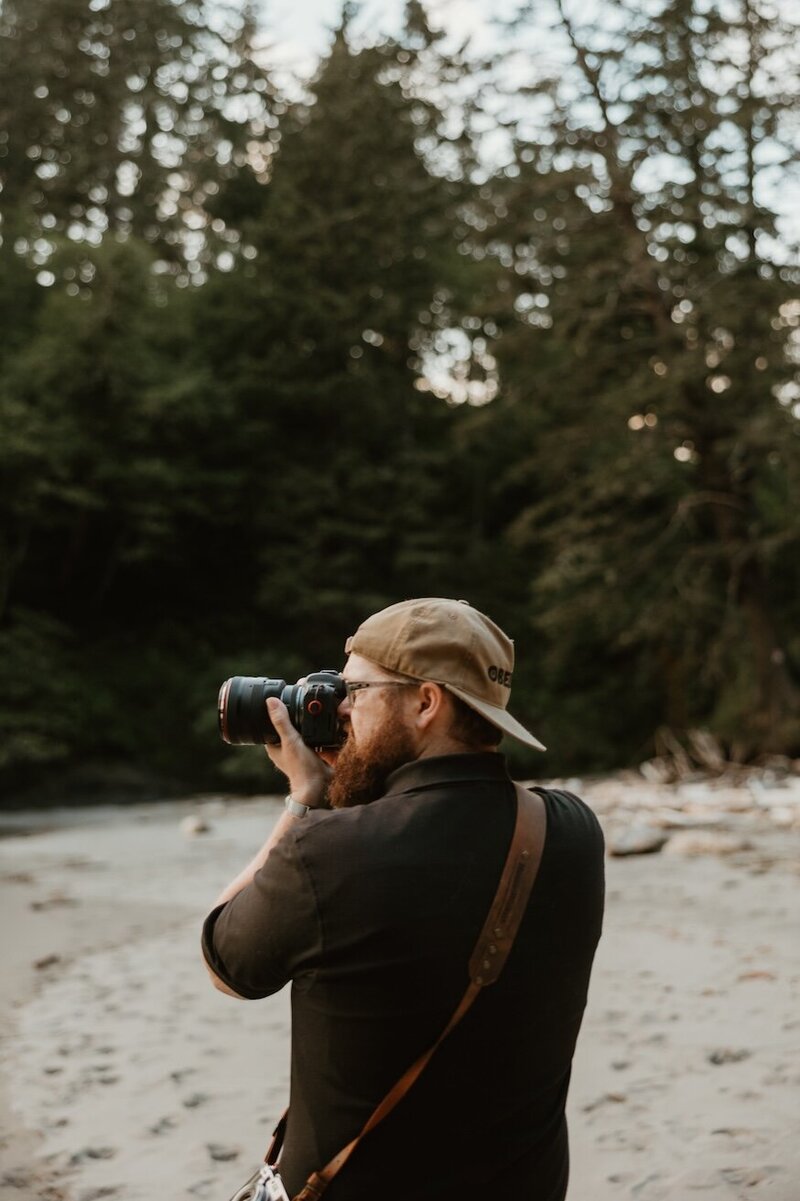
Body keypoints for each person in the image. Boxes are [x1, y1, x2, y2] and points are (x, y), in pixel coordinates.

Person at [202, 597, 604, 1201]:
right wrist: (358, 783)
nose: (341, 706)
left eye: (357, 688)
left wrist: (305, 799)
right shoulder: (571, 831)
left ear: (425, 702)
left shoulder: (327, 851)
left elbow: (225, 964)